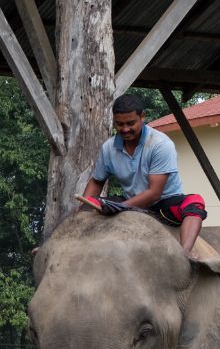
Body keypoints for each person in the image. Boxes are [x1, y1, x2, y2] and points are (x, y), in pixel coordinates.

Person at [79, 93, 208, 257]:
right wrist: (83, 209)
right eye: (119, 124)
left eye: (130, 123)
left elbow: (154, 193)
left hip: (163, 204)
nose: (125, 129)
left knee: (195, 202)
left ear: (142, 117)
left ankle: (185, 254)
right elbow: (97, 182)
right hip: (129, 202)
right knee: (89, 203)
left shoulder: (160, 145)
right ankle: (64, 244)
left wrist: (122, 207)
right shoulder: (108, 148)